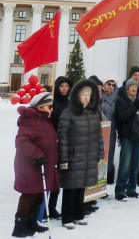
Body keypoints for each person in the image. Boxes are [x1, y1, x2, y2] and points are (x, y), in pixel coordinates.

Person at [57, 79, 104, 229]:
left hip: (88, 156)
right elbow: (62, 137)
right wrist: (64, 158)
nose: (86, 97)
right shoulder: (68, 113)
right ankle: (67, 218)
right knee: (70, 188)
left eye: (89, 95)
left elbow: (98, 135)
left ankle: (79, 214)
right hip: (73, 156)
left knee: (82, 186)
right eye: (83, 94)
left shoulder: (93, 112)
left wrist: (99, 152)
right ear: (77, 95)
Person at [12, 92, 58, 237]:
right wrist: (38, 154)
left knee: (39, 195)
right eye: (49, 106)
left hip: (42, 166)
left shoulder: (44, 120)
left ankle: (32, 223)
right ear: (41, 106)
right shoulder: (31, 120)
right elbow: (22, 142)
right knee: (29, 195)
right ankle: (20, 227)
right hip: (29, 166)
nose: (51, 109)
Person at [43, 76, 72, 221]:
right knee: (49, 176)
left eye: (67, 86)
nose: (64, 89)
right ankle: (43, 208)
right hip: (52, 143)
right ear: (57, 87)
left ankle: (52, 207)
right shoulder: (51, 103)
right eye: (62, 86)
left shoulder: (70, 104)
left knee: (58, 178)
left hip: (64, 144)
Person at [114, 79, 139, 201]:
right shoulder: (121, 101)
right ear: (127, 88)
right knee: (125, 164)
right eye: (131, 87)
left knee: (135, 164)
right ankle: (120, 190)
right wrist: (134, 107)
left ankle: (131, 189)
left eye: (135, 87)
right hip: (127, 136)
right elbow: (122, 117)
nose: (134, 89)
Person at [102, 78, 119, 184]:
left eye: (113, 85)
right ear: (104, 85)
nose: (111, 87)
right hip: (101, 129)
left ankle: (109, 176)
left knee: (110, 153)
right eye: (109, 84)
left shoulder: (118, 97)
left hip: (112, 130)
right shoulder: (99, 96)